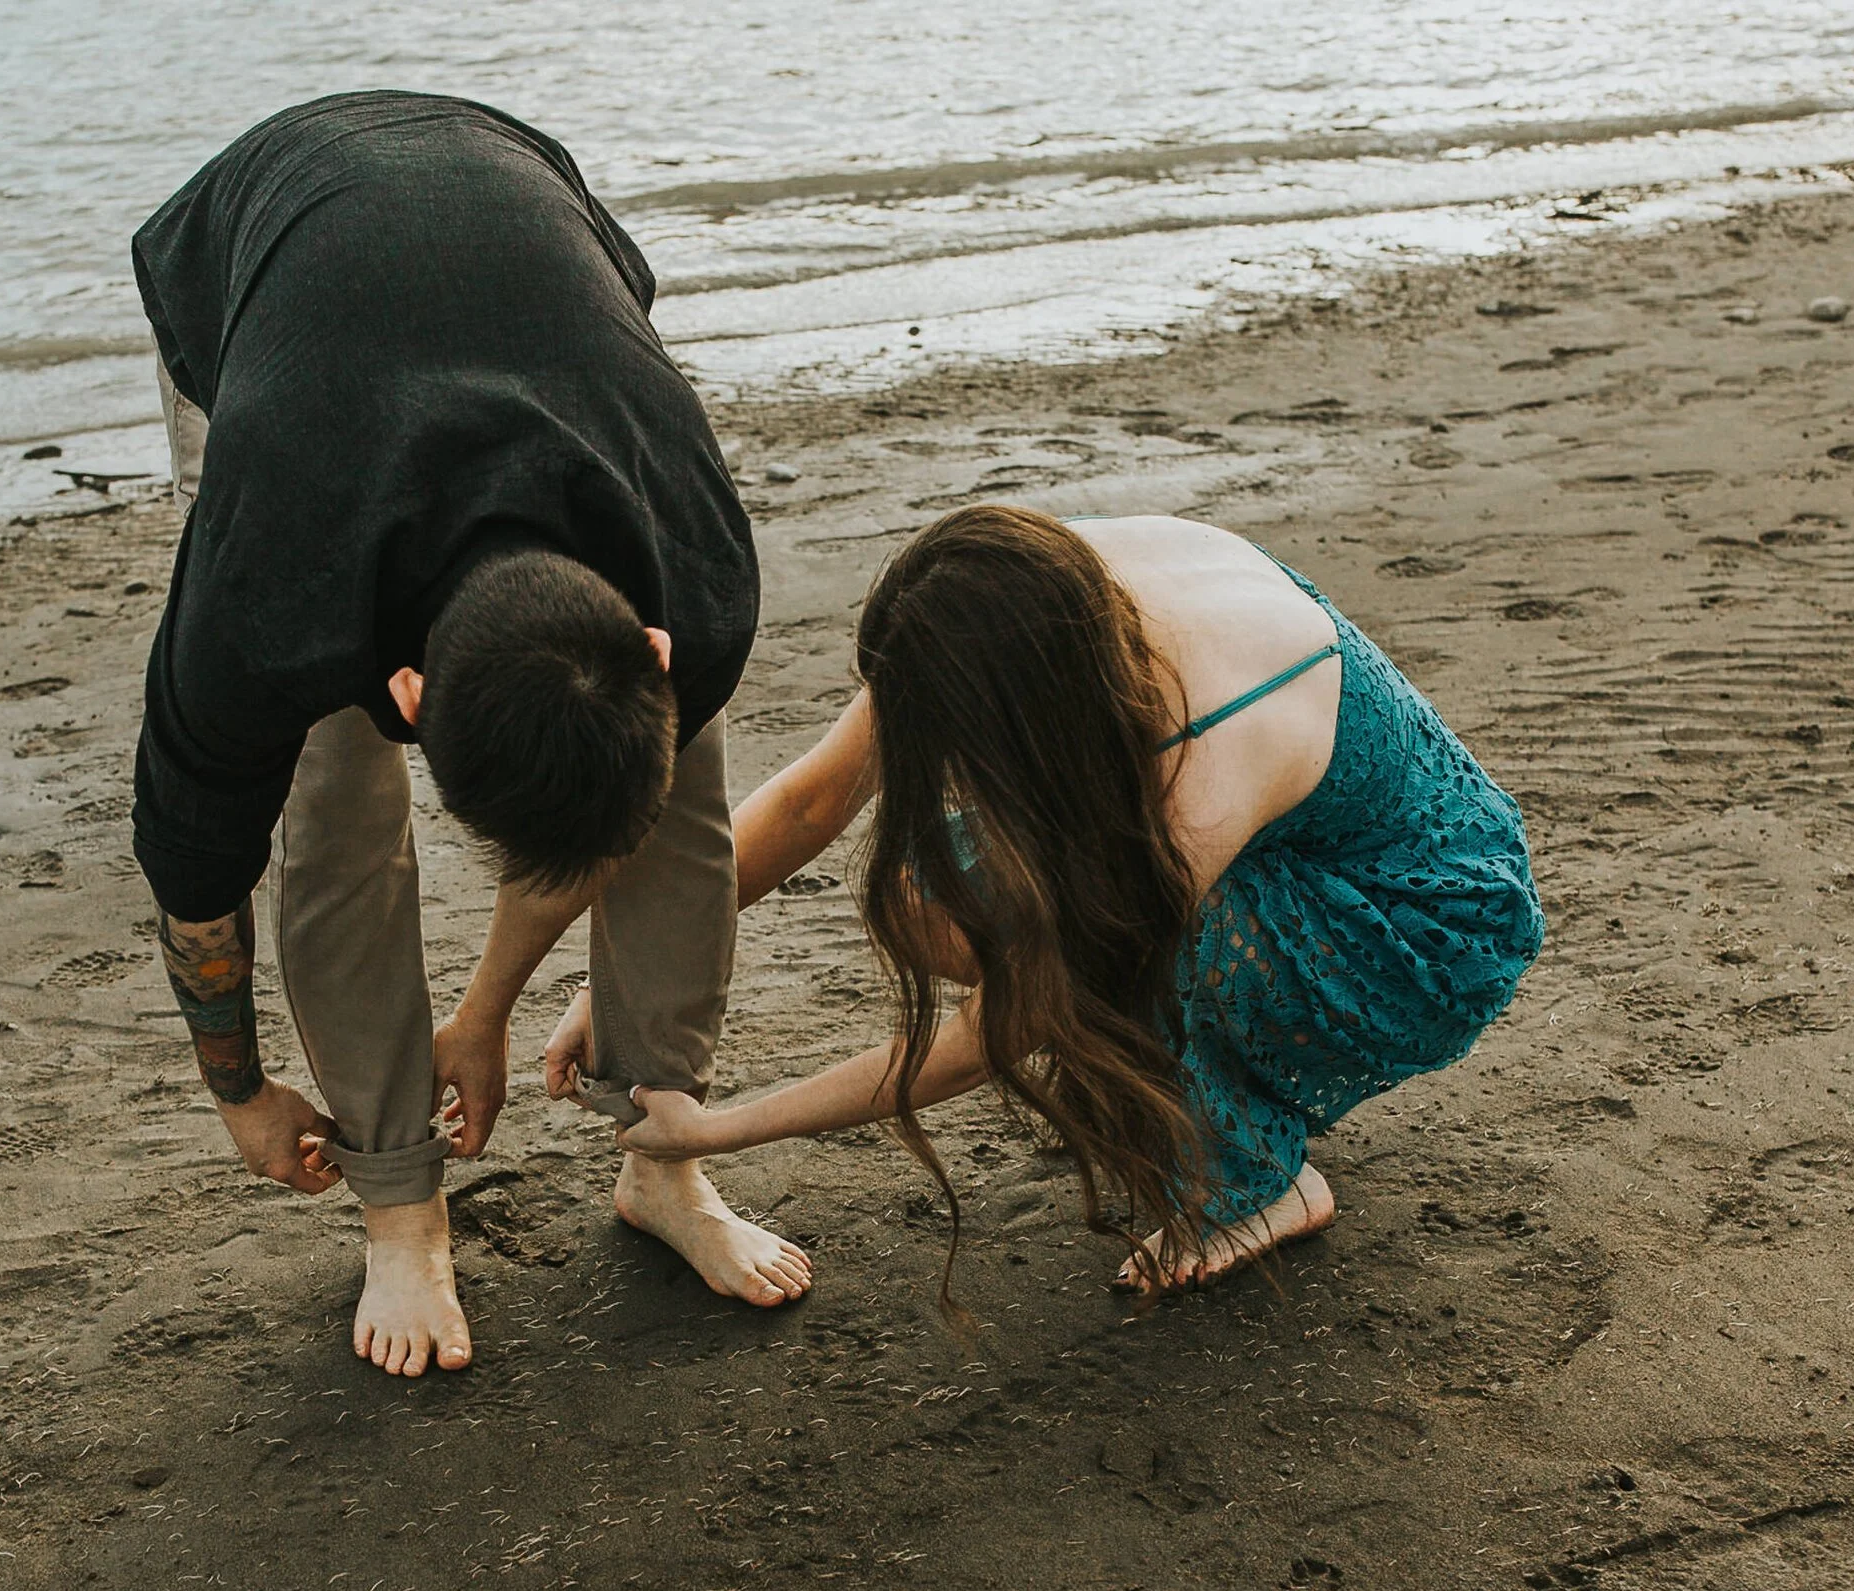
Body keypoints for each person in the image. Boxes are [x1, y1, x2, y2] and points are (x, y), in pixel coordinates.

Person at [133, 92, 810, 1380]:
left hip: (530, 217)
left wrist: (486, 1009)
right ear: (409, 692)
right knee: (331, 802)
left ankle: (663, 1157)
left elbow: (617, 807)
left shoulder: (696, 578)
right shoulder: (267, 594)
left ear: (654, 648)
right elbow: (196, 883)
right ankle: (401, 1207)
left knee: (671, 790)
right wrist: (241, 1094)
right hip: (255, 268)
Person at [582, 507, 1543, 1293]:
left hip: (1421, 921)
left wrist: (719, 1128)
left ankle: (1260, 1188)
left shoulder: (1207, 764)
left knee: (1114, 953)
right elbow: (809, 798)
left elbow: (1003, 1022)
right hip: (1293, 846)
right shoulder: (1019, 592)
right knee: (930, 884)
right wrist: (632, 980)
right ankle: (1213, 1067)